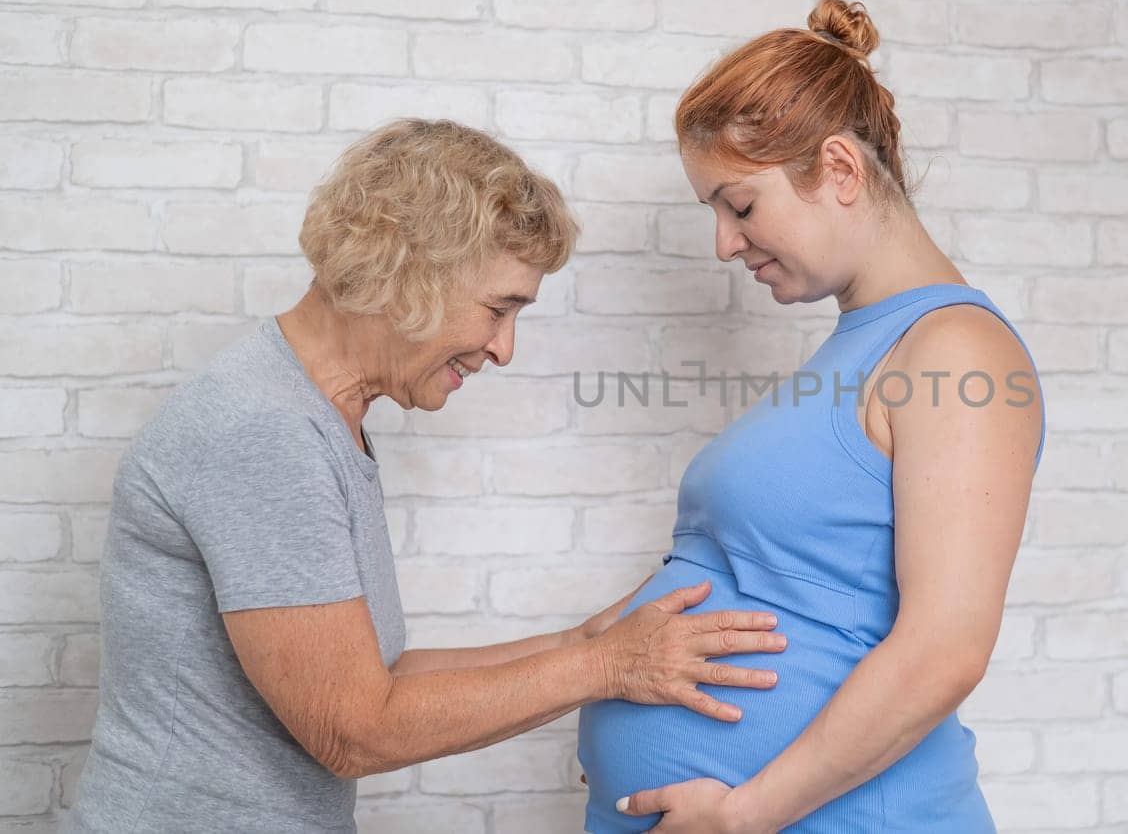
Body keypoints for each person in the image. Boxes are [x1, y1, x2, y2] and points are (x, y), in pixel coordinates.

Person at [63, 119, 787, 834]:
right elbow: (353, 729)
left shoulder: (315, 419)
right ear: (409, 267)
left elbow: (379, 678)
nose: (504, 349)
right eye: (498, 309)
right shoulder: (263, 429)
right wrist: (609, 668)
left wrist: (582, 642)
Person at [576, 0, 1046, 833]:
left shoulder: (958, 350)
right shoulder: (858, 349)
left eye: (741, 206)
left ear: (839, 169)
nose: (725, 243)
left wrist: (742, 814)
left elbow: (947, 646)